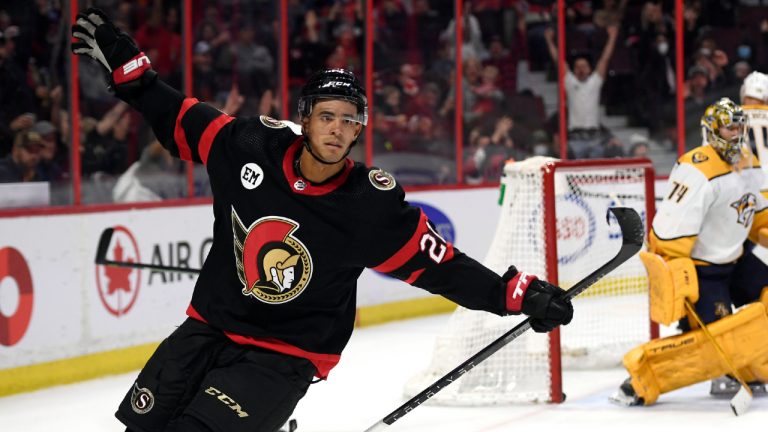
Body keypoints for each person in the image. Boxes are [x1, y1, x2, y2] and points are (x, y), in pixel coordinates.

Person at [71, 8, 574, 432]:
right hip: (208, 328)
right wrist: (133, 75)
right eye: (328, 116)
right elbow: (177, 115)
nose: (338, 129)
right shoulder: (248, 145)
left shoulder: (370, 204)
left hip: (285, 353)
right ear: (305, 118)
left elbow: (442, 266)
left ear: (359, 130)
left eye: (350, 119)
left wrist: (516, 293)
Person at [610, 98, 768, 407]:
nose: (736, 135)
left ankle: (753, 363)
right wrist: (674, 277)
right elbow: (668, 235)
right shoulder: (695, 169)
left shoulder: (749, 160)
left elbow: (759, 215)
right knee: (716, 337)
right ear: (712, 132)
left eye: (740, 128)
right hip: (703, 269)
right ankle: (645, 379)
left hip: (736, 259)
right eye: (729, 129)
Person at [544, 24, 619, 159]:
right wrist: (549, 41)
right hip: (576, 138)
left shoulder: (594, 82)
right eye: (577, 66)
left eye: (584, 66)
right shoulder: (570, 82)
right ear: (573, 69)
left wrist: (612, 37)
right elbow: (558, 61)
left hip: (595, 137)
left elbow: (605, 59)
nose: (581, 69)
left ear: (590, 69)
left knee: (596, 173)